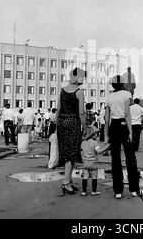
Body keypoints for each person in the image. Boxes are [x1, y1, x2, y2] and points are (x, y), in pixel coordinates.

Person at [104, 75, 140, 199]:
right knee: (130, 157)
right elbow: (127, 114)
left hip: (113, 126)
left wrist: (106, 135)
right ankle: (134, 189)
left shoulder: (109, 96)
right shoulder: (126, 94)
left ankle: (118, 191)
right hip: (124, 124)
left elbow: (106, 118)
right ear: (123, 84)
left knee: (115, 159)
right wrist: (130, 131)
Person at [57, 67, 87, 195]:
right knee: (71, 153)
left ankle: (68, 181)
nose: (83, 79)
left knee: (66, 153)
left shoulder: (62, 90)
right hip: (73, 123)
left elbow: (58, 109)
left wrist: (56, 124)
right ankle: (65, 183)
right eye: (82, 77)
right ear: (76, 76)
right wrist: (84, 127)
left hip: (62, 123)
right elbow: (81, 112)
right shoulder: (79, 92)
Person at [80, 128, 110, 196]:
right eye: (96, 134)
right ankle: (94, 191)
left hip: (85, 162)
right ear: (92, 135)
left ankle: (84, 191)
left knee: (85, 176)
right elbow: (99, 151)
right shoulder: (94, 143)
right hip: (93, 162)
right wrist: (106, 147)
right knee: (94, 177)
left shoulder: (83, 142)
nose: (97, 135)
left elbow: (81, 149)